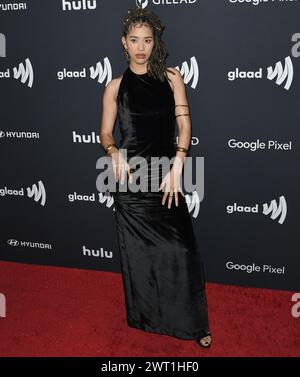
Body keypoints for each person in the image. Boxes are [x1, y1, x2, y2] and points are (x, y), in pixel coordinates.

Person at [99, 7, 212, 348]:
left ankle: (193, 325)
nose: (140, 47)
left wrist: (179, 164)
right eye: (134, 40)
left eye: (147, 40)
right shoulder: (115, 87)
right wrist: (113, 152)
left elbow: (185, 125)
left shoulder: (172, 78)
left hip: (167, 177)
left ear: (155, 42)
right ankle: (149, 319)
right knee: (140, 256)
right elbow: (105, 133)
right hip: (130, 182)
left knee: (183, 251)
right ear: (124, 43)